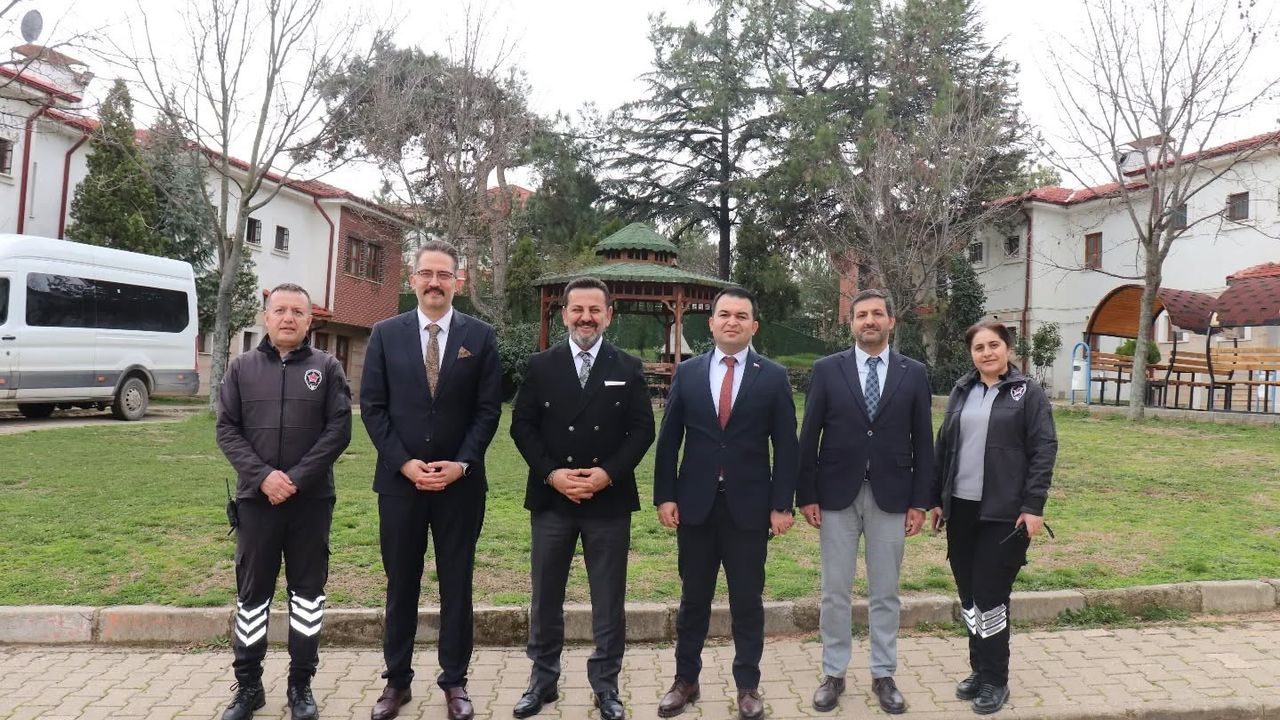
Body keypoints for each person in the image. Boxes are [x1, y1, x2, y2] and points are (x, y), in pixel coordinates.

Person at [360, 240, 503, 720]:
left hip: (459, 487)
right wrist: (404, 463)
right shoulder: (385, 334)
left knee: (457, 585)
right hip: (400, 485)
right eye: (427, 273)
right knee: (401, 583)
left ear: (459, 281)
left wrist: (462, 464)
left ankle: (454, 682)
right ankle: (396, 682)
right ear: (413, 279)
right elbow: (373, 408)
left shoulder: (480, 336)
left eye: (444, 275)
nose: (435, 282)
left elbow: (487, 411)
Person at [509, 276, 656, 720]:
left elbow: (642, 430)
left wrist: (607, 474)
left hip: (608, 500)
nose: (586, 318)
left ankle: (606, 685)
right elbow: (522, 426)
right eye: (578, 309)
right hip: (552, 499)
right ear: (564, 315)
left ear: (608, 315)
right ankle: (542, 680)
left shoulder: (628, 366)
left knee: (608, 600)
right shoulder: (541, 366)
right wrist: (552, 475)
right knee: (545, 596)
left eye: (595, 310)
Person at [653, 287, 799, 720]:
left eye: (741, 316)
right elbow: (669, 440)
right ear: (712, 322)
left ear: (754, 326)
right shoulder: (688, 373)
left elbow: (786, 446)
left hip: (749, 509)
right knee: (693, 599)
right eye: (724, 314)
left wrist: (782, 505)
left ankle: (748, 686)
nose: (732, 321)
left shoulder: (772, 376)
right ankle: (685, 680)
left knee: (747, 601)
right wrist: (665, 495)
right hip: (695, 505)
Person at [215, 283, 353, 720]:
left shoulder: (327, 368)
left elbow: (339, 431)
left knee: (307, 596)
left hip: (310, 502)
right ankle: (248, 686)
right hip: (256, 503)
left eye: (297, 311)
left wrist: (294, 479)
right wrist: (263, 478)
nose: (288, 318)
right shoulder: (242, 368)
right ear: (266, 317)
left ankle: (300, 685)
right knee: (252, 596)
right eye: (280, 310)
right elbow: (227, 430)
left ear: (310, 320)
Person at [797, 288, 934, 716]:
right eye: (861, 315)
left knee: (886, 592)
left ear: (891, 321)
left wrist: (920, 501)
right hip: (836, 494)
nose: (869, 321)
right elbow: (809, 435)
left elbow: (923, 441)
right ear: (851, 322)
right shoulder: (826, 370)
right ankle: (833, 673)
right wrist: (807, 494)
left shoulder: (914, 373)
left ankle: (883, 673)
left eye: (877, 314)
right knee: (835, 591)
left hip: (893, 496)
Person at [928, 321, 1057, 715]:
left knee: (990, 596)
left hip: (1004, 513)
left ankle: (996, 679)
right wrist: (936, 500)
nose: (987, 352)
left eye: (994, 345)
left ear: (1008, 349)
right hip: (961, 509)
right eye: (979, 347)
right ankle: (979, 670)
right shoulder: (962, 390)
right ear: (971, 353)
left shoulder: (1027, 393)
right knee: (969, 596)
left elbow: (1044, 449)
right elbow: (944, 446)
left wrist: (1033, 506)